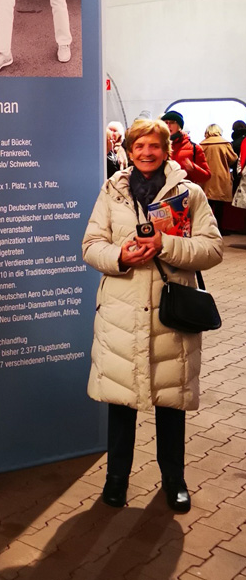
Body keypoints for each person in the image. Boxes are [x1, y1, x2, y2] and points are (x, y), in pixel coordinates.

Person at [82, 118, 223, 513]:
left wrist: (167, 244)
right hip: (121, 312)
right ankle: (116, 480)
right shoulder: (111, 192)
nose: (146, 153)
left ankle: (173, 480)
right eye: (139, 146)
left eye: (154, 146)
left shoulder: (189, 194)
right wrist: (120, 256)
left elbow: (211, 250)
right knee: (121, 404)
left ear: (166, 149)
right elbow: (91, 245)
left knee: (170, 403)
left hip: (171, 313)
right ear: (129, 150)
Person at [198, 124, 238, 231]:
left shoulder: (202, 144)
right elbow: (233, 159)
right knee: (220, 205)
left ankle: (208, 228)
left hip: (206, 177)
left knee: (207, 205)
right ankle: (219, 228)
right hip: (221, 177)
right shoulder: (225, 144)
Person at [161, 111, 211, 187]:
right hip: (160, 193)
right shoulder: (157, 146)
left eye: (172, 122)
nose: (168, 125)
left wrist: (193, 168)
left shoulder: (194, 148)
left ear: (179, 126)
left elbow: (206, 177)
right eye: (165, 122)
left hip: (184, 193)